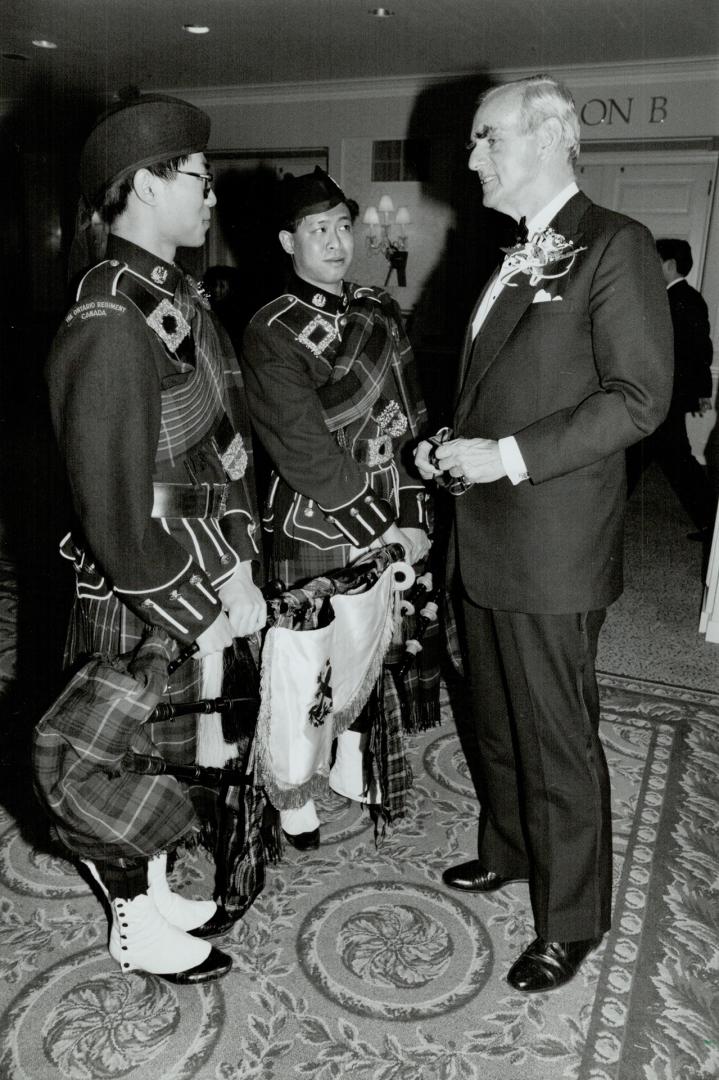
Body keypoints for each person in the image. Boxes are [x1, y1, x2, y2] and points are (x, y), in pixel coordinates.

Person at [415, 74, 673, 993]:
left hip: (551, 545)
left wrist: (508, 457)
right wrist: (454, 448)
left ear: (551, 138)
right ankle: (510, 849)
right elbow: (495, 386)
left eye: (488, 138)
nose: (471, 156)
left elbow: (639, 399)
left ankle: (571, 919)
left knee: (556, 737)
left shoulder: (614, 245)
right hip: (479, 535)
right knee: (490, 714)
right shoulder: (509, 253)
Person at [41, 93, 266, 983]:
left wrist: (242, 559)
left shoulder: (173, 296)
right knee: (114, 762)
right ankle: (134, 928)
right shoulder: (109, 319)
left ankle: (159, 892)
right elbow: (113, 509)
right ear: (142, 186)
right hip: (145, 583)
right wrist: (197, 606)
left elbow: (227, 441)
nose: (211, 197)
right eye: (198, 180)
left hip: (202, 558)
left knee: (167, 748)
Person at [241, 167, 430, 848]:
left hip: (383, 508)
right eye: (317, 229)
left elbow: (409, 417)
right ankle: (290, 788)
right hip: (310, 520)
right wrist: (379, 527)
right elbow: (302, 450)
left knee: (366, 646)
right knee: (307, 658)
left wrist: (410, 514)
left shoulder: (378, 306)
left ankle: (350, 761)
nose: (335, 241)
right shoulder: (270, 329)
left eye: (343, 226)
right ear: (288, 239)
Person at [628, 238, 715, 541]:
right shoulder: (671, 297)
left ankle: (712, 520)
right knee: (643, 451)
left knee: (671, 456)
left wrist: (701, 391)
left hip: (670, 393)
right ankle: (710, 518)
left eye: (655, 260)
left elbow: (700, 348)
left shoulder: (684, 299)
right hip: (664, 392)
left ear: (669, 265)